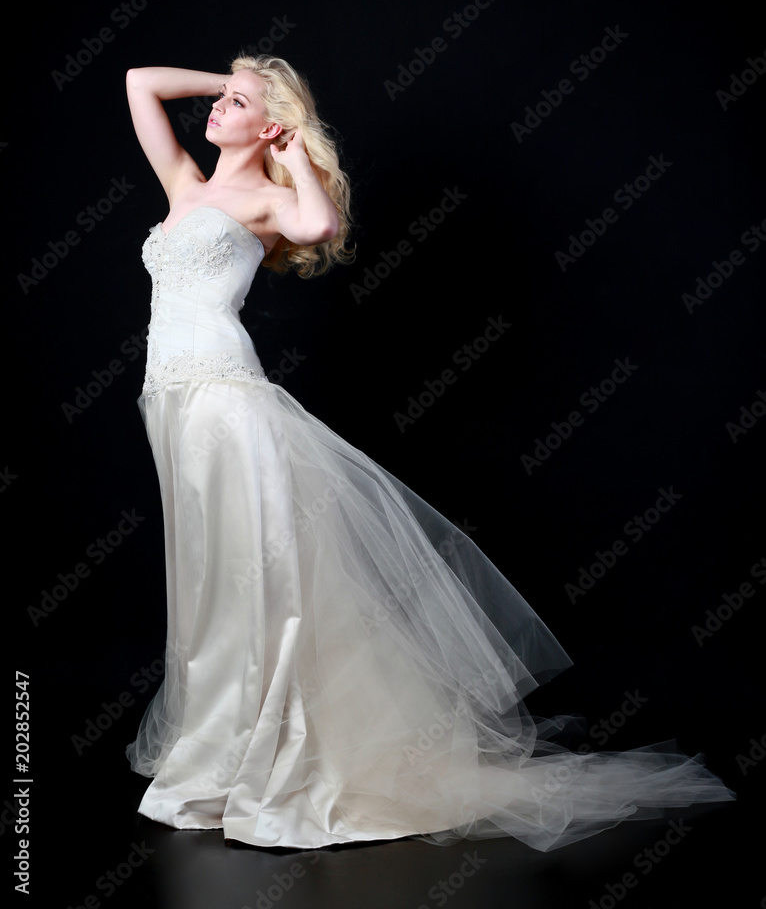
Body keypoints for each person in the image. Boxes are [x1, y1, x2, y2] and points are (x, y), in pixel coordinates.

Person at [125, 54, 734, 851]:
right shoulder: (184, 185)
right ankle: (219, 743)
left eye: (237, 106)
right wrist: (235, 80)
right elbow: (140, 82)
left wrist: (291, 138)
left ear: (268, 125)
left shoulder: (270, 198)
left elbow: (318, 228)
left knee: (255, 577)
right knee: (207, 576)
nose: (216, 112)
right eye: (221, 102)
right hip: (169, 400)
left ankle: (259, 754)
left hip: (225, 400)